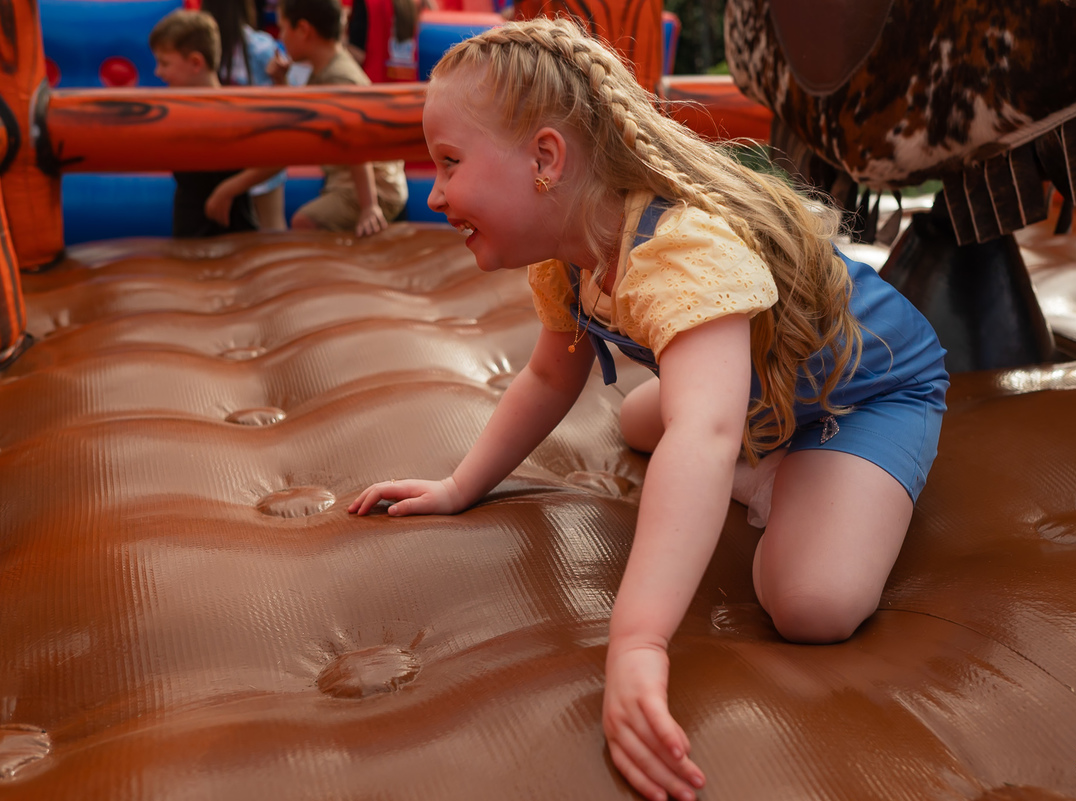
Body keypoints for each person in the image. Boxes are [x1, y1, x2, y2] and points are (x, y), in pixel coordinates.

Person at [347, 17, 949, 801]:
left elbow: (701, 433)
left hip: (863, 392)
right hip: (758, 388)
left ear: (545, 159)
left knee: (813, 602)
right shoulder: (572, 255)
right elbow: (549, 376)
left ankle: (785, 469)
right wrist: (460, 485)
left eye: (449, 163)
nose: (434, 194)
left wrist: (637, 642)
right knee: (638, 420)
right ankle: (774, 461)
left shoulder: (683, 249)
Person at [264, 0, 407, 236]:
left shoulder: (338, 78)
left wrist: (369, 206)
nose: (281, 37)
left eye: (283, 28)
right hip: (349, 180)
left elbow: (356, 143)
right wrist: (281, 82)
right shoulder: (325, 69)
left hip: (376, 186)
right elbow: (303, 124)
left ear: (303, 30)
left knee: (304, 222)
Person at [149, 10, 259, 238]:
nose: (158, 72)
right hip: (189, 231)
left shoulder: (233, 109)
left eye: (164, 63)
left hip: (233, 231)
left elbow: (278, 157)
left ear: (196, 63)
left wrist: (229, 189)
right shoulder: (174, 110)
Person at [202, 0, 290, 231]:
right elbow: (287, 106)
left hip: (222, 152)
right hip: (263, 153)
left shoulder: (204, 45)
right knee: (272, 226)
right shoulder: (261, 46)